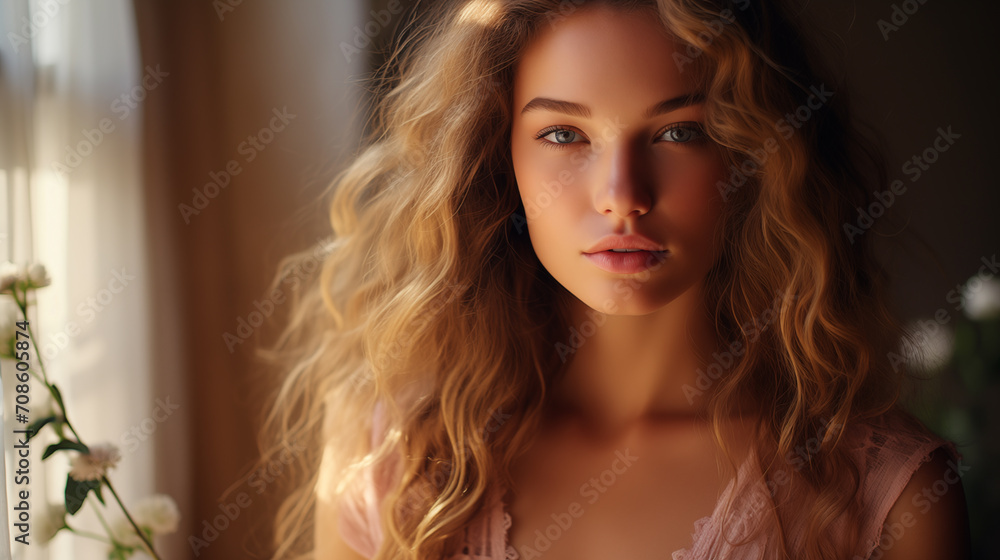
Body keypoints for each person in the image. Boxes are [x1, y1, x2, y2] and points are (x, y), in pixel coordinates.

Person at [256, 1, 972, 559]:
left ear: (753, 157)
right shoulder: (392, 455)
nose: (622, 194)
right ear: (495, 160)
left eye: (678, 132)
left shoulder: (888, 496)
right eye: (564, 135)